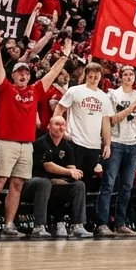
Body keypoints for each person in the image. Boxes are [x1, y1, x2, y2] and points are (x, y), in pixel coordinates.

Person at [0, 30, 72, 238]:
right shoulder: (5, 89)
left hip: (26, 145)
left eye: (26, 73)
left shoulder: (35, 91)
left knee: (17, 184)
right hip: (5, 142)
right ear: (12, 75)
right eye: (19, 72)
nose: (23, 75)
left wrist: (65, 57)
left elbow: (51, 75)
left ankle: (8, 226)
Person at [98, 66, 136, 235]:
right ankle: (102, 224)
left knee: (127, 186)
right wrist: (130, 109)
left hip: (132, 143)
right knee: (109, 183)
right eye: (125, 74)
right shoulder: (112, 95)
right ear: (120, 77)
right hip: (115, 142)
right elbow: (112, 119)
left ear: (135, 78)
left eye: (131, 74)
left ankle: (120, 223)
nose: (128, 77)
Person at [26, 116, 94, 238]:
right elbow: (48, 166)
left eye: (63, 125)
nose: (61, 127)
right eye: (57, 124)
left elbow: (72, 169)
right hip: (35, 183)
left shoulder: (67, 146)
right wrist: (68, 173)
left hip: (57, 183)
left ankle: (77, 225)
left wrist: (69, 175)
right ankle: (39, 226)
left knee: (79, 185)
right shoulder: (41, 143)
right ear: (49, 126)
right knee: (45, 183)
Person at [52, 61, 112, 198]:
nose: (93, 79)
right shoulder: (74, 91)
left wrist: (107, 144)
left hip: (94, 144)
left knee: (86, 181)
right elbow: (60, 108)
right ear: (86, 75)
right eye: (91, 76)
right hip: (75, 141)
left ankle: (77, 215)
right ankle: (59, 212)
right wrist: (59, 129)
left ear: (100, 77)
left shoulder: (104, 97)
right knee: (70, 179)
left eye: (96, 76)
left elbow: (106, 122)